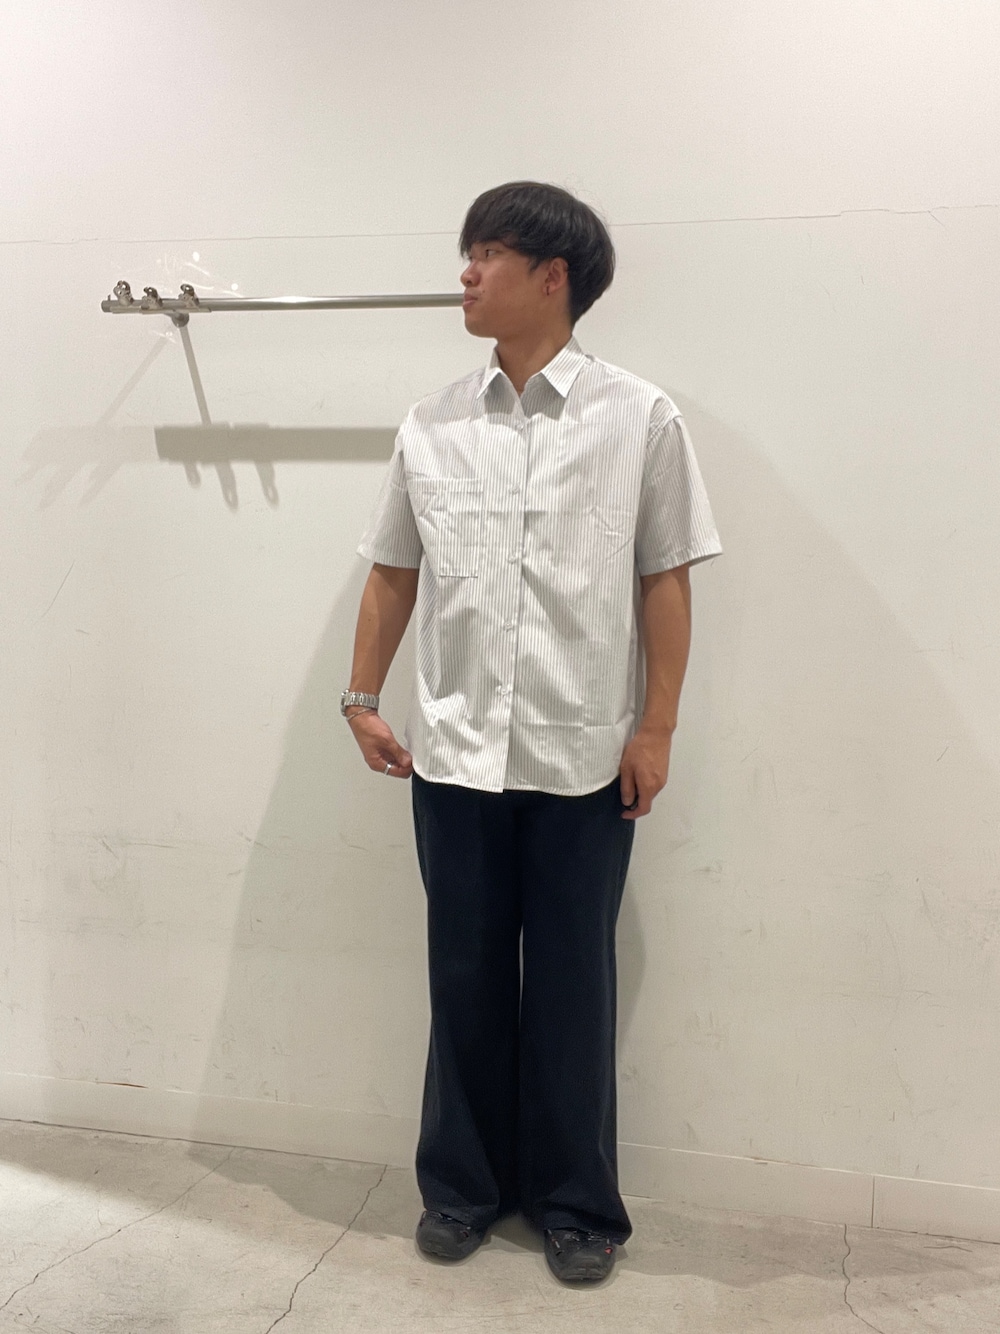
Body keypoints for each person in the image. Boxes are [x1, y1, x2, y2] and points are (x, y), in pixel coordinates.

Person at [342, 181, 722, 1284]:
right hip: (453, 749)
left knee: (570, 986)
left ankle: (574, 1203)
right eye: (466, 254)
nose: (464, 274)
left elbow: (664, 578)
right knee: (462, 975)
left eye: (486, 254)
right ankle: (462, 1187)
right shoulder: (432, 422)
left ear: (552, 277)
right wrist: (360, 698)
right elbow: (392, 569)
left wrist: (657, 726)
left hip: (582, 755)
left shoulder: (640, 418)